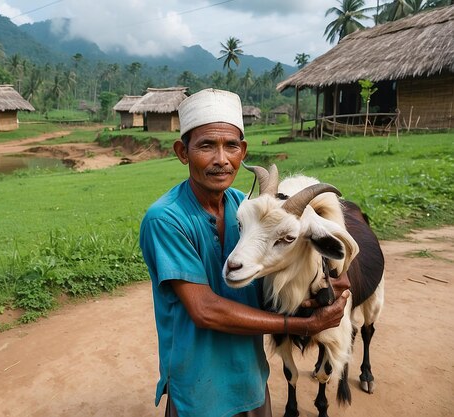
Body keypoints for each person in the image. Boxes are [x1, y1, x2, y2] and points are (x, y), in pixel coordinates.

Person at [139, 88, 351, 417]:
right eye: (207, 145)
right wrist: (302, 326)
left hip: (251, 380)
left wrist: (322, 287)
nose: (221, 159)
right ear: (183, 151)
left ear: (243, 151)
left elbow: (283, 265)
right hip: (198, 389)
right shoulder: (166, 218)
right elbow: (205, 310)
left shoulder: (247, 207)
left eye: (231, 146)